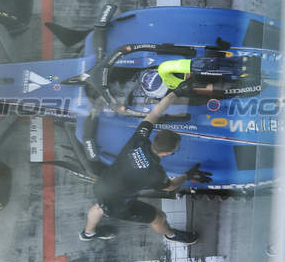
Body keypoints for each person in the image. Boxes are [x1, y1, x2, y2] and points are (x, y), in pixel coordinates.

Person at [81, 89, 208, 243]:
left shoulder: (139, 139)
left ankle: (88, 233)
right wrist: (189, 175)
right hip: (120, 207)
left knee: (101, 205)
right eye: (176, 148)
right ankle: (171, 235)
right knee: (160, 218)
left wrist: (175, 92)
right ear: (167, 153)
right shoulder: (155, 172)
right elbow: (170, 186)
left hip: (102, 186)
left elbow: (155, 112)